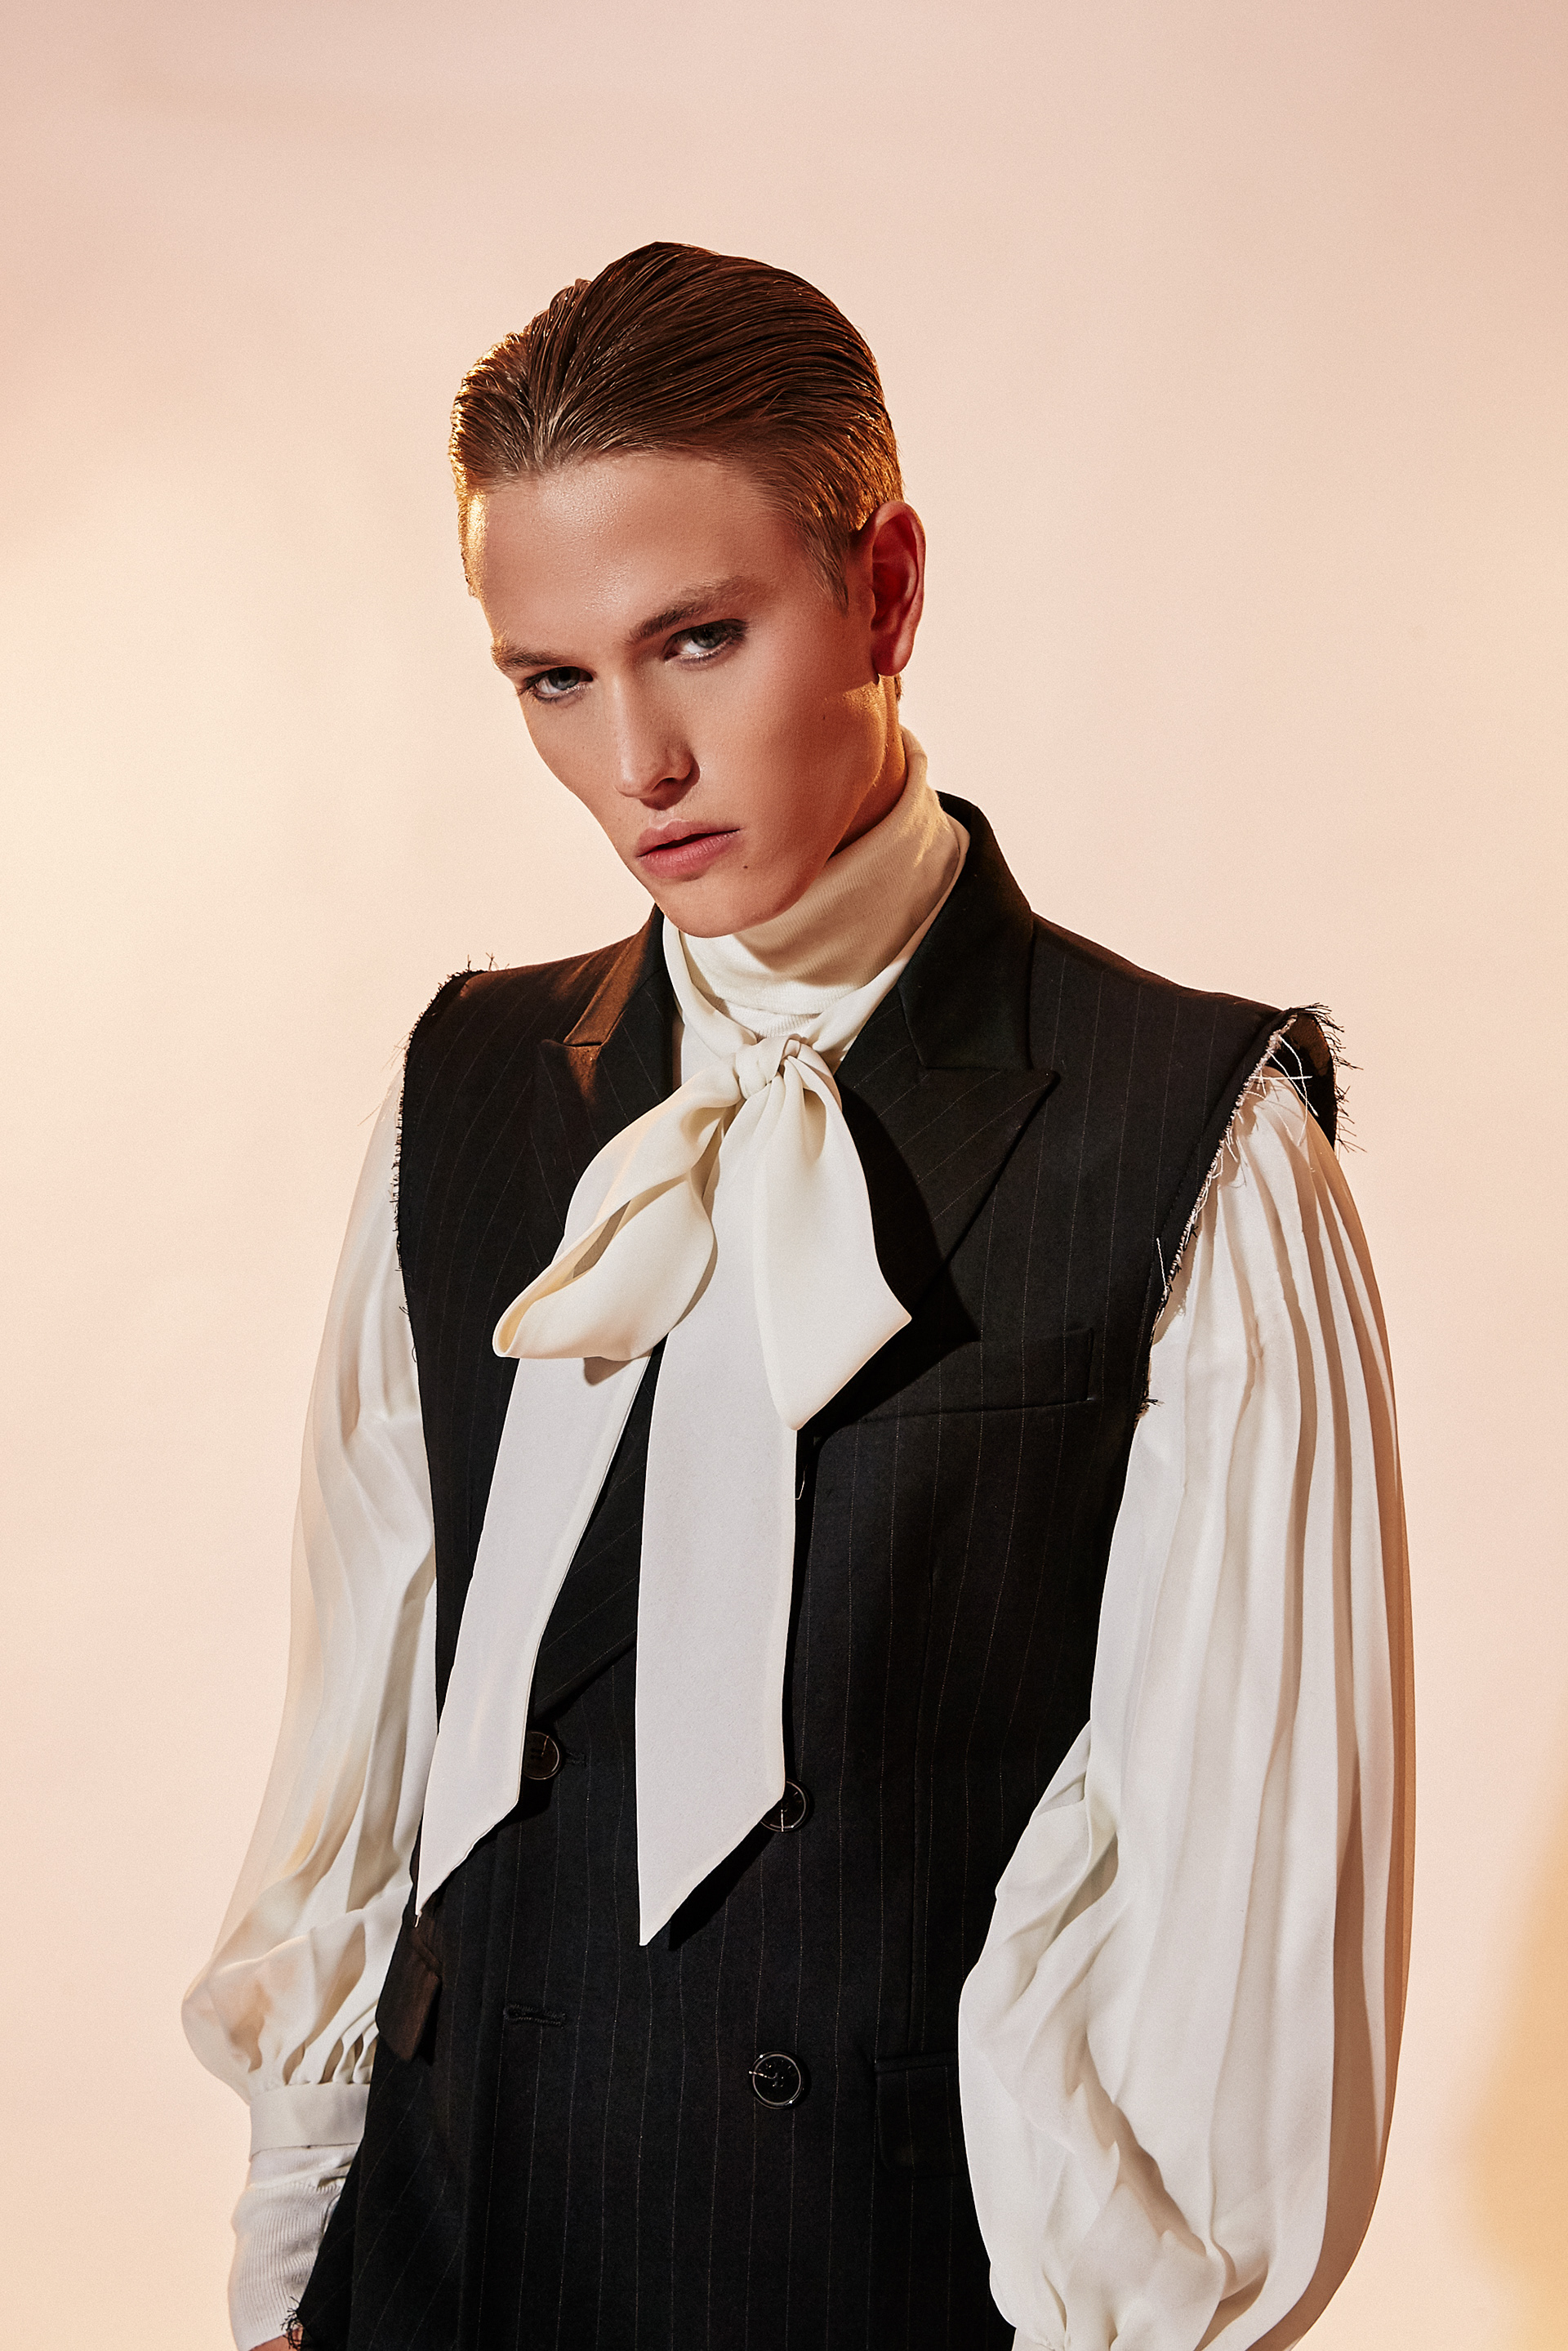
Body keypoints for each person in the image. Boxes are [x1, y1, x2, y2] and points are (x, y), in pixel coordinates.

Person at [184, 242, 1413, 2351]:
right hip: (438, 2274)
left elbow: (1231, 1901)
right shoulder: (460, 1091)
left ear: (888, 591)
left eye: (700, 638)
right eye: (552, 680)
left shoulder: (1197, 1151)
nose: (637, 762)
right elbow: (366, 1730)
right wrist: (297, 2251)